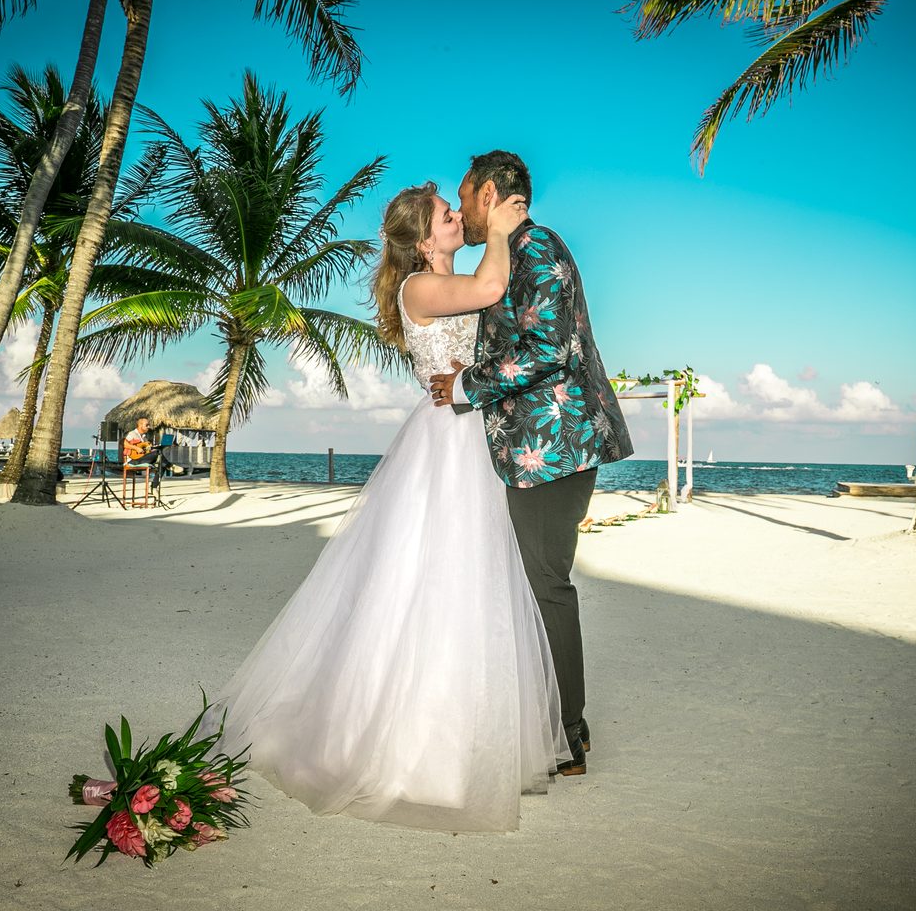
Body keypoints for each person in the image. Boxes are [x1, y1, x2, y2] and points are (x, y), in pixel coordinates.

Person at [200, 183, 566, 832]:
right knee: (436, 578)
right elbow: (489, 289)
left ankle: (469, 747)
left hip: (469, 436)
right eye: (447, 216)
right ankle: (417, 754)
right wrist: (501, 228)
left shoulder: (444, 280)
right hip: (449, 444)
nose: (457, 219)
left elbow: (496, 309)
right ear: (424, 241)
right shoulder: (421, 287)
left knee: (470, 581)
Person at [430, 150, 633, 777]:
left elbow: (548, 348)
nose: (462, 209)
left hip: (553, 446)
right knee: (536, 582)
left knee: (546, 583)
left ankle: (568, 732)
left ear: (489, 193)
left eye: (465, 195)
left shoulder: (536, 247)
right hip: (536, 447)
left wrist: (466, 386)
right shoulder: (511, 251)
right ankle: (556, 723)